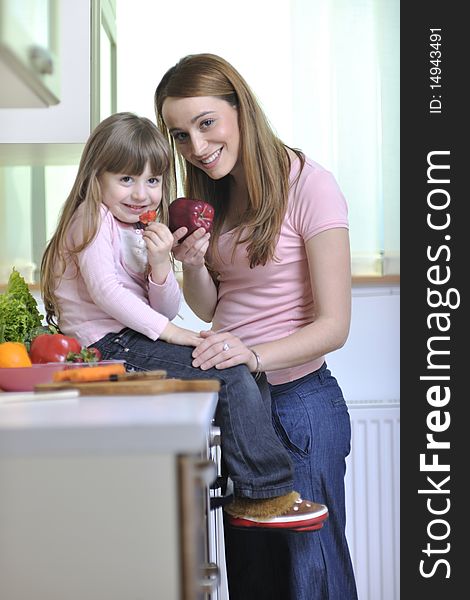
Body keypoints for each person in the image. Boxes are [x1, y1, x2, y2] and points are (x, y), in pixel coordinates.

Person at [40, 111, 328, 533]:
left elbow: (165, 308)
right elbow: (108, 293)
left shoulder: (138, 229)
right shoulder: (92, 217)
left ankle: (249, 490)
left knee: (241, 367)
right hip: (101, 346)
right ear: (95, 178)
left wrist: (160, 266)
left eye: (153, 181)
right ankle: (266, 495)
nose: (141, 194)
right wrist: (180, 337)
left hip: (129, 338)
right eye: (126, 180)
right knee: (225, 369)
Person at [154, 54, 358, 599]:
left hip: (298, 407)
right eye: (180, 135)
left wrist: (253, 355)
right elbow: (212, 307)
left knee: (312, 577)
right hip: (242, 405)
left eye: (206, 123)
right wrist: (192, 263)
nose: (195, 147)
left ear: (239, 108)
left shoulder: (310, 184)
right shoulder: (211, 195)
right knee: (254, 580)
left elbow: (335, 325)